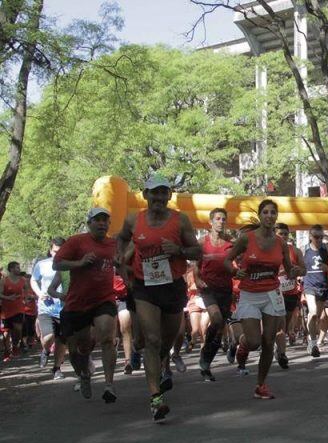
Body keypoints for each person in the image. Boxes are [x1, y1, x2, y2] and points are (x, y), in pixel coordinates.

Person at [117, 174, 202, 423]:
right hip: (145, 287)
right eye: (155, 192)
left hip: (173, 287)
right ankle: (156, 398)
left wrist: (179, 251)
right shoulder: (134, 219)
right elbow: (121, 237)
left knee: (165, 342)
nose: (159, 198)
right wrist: (121, 258)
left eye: (164, 193)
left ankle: (162, 361)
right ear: (146, 195)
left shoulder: (180, 220)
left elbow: (197, 251)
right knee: (152, 340)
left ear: (169, 196)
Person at [224, 200, 299, 399]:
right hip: (249, 294)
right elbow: (226, 259)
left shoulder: (281, 243)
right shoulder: (247, 239)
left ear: (276, 216)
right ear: (260, 215)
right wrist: (234, 271)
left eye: (273, 212)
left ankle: (261, 385)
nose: (269, 215)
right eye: (265, 212)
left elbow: (290, 271)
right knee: (254, 342)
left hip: (272, 294)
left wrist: (298, 271)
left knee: (268, 341)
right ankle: (242, 346)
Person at [53, 207, 119, 403]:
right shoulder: (76, 241)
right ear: (89, 223)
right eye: (97, 220)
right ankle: (83, 374)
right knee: (79, 349)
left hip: (104, 299)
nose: (101, 223)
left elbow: (124, 261)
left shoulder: (113, 244)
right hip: (78, 303)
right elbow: (57, 263)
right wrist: (79, 263)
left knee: (107, 338)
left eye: (105, 220)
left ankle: (109, 385)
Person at [195, 207, 234, 381]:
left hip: (225, 289)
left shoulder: (230, 243)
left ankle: (206, 362)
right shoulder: (202, 243)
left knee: (219, 330)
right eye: (217, 219)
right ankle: (205, 352)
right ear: (210, 222)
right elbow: (195, 266)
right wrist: (196, 279)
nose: (221, 222)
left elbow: (237, 264)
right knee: (216, 319)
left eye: (223, 219)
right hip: (208, 288)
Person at [30, 239, 67, 378]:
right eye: (55, 251)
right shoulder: (42, 265)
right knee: (50, 336)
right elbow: (33, 280)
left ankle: (56, 369)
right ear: (50, 251)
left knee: (62, 340)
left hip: (64, 307)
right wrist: (39, 294)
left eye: (61, 251)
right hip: (46, 307)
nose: (58, 254)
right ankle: (45, 350)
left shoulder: (70, 265)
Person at [275, 222, 306, 369]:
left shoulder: (296, 251)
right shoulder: (269, 250)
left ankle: (278, 349)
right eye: (280, 234)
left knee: (285, 326)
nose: (283, 236)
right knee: (280, 325)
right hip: (274, 293)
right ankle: (282, 353)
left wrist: (295, 271)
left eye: (285, 234)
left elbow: (304, 270)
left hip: (291, 293)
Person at [303, 224, 328, 357]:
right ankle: (313, 343)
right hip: (309, 285)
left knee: (317, 318)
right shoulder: (304, 250)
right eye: (316, 237)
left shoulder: (327, 249)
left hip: (323, 287)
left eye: (320, 237)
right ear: (310, 237)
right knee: (313, 313)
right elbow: (297, 265)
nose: (319, 240)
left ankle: (311, 339)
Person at [0, 262, 30, 360]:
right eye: (17, 267)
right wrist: (8, 297)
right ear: (11, 269)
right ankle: (7, 351)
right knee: (6, 332)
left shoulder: (23, 280)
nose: (19, 269)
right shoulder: (4, 281)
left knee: (18, 328)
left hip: (19, 308)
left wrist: (25, 299)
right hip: (6, 309)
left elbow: (26, 290)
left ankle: (15, 346)